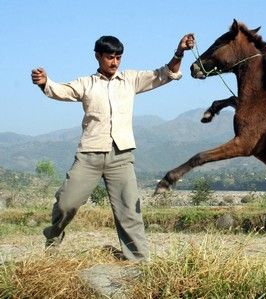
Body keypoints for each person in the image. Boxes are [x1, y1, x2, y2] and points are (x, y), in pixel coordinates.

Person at [31, 33, 195, 261]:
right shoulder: (85, 83)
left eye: (118, 57)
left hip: (121, 155)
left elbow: (165, 74)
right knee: (67, 203)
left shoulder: (130, 79)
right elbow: (59, 90)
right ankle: (53, 236)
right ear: (98, 56)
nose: (115, 62)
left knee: (130, 210)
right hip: (89, 155)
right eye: (110, 57)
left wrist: (180, 52)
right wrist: (44, 83)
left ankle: (138, 261)